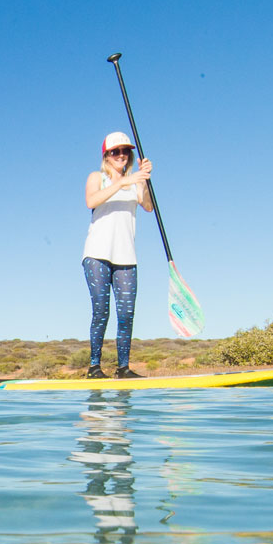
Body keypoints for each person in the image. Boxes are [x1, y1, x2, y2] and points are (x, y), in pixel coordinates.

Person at [82, 132, 153, 379]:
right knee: (101, 311)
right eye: (115, 152)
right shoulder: (97, 177)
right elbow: (91, 200)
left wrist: (142, 178)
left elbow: (148, 206)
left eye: (125, 151)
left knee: (126, 315)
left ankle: (123, 368)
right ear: (106, 156)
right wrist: (121, 182)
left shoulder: (134, 181)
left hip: (126, 257)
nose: (121, 155)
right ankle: (94, 368)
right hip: (97, 254)